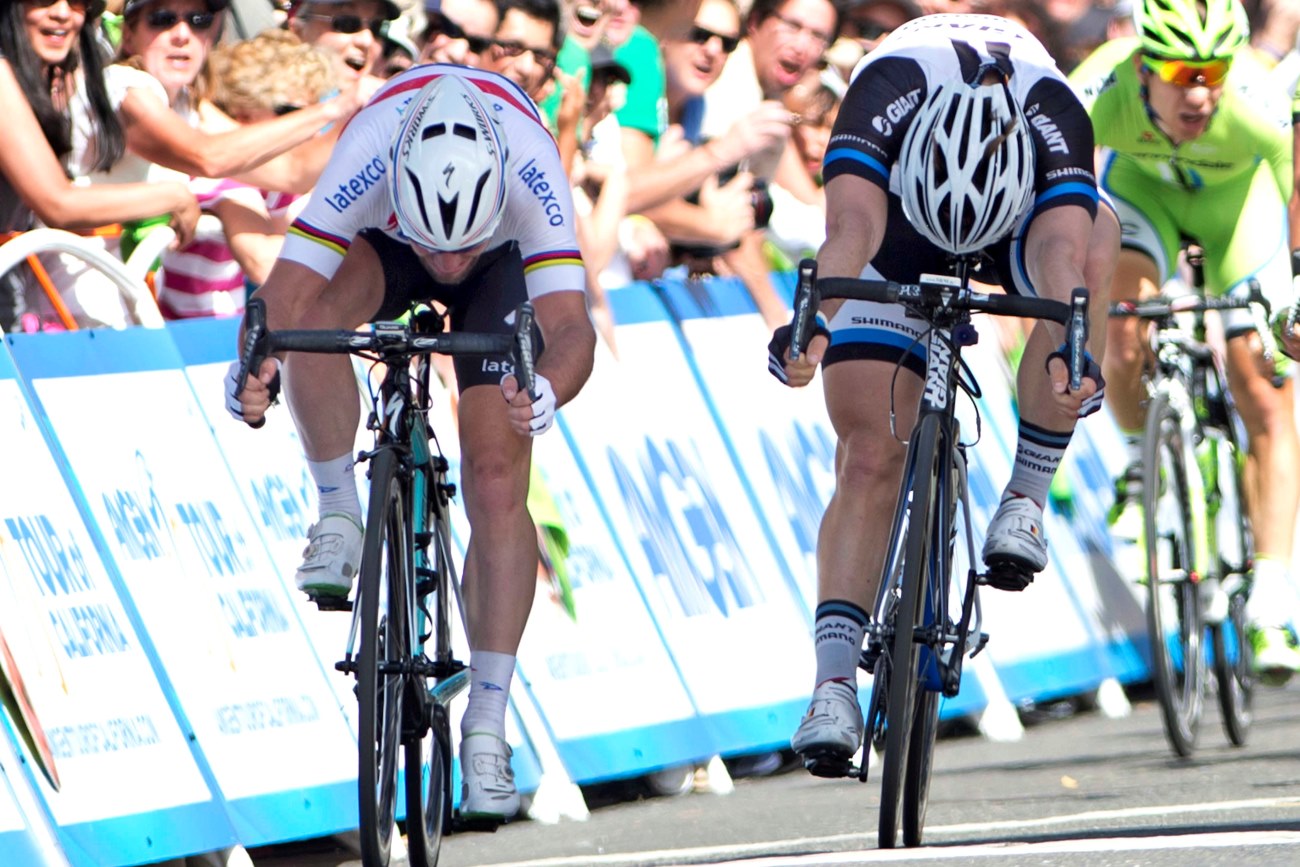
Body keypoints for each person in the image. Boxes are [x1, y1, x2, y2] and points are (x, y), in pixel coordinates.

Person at [226, 66, 595, 821]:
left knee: (496, 478)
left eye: (458, 249)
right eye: (439, 247)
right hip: (383, 246)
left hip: (506, 269)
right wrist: (250, 367)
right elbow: (283, 294)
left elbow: (570, 326)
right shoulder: (368, 147)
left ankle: (487, 726)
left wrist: (549, 386)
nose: (446, 266)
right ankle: (337, 510)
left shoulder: (529, 163)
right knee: (318, 320)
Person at [769, 13, 1117, 765]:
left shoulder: (1056, 115)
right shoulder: (881, 92)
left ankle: (1025, 494)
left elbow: (1057, 255)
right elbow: (850, 237)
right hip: (900, 216)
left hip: (1015, 213)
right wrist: (811, 327)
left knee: (1090, 262)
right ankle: (833, 686)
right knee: (868, 453)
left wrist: (1073, 347)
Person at [1071, 0, 1300, 683]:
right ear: (1144, 66)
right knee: (1123, 323)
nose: (1200, 91)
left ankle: (1275, 593)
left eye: (1213, 72)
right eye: (1180, 71)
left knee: (1261, 379)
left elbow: (1293, 197)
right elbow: (1053, 176)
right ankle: (1145, 459)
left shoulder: (1257, 98)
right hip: (1144, 197)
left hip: (1243, 209)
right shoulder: (1103, 84)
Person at [0, 0, 199, 330]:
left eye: (78, 1)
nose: (63, 12)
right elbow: (58, 203)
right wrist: (174, 196)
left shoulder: (51, 76)